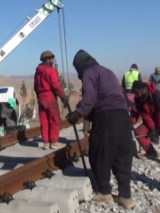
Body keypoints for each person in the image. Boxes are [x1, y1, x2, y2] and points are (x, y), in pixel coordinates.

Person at [66, 50, 135, 209]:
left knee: (99, 152)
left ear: (79, 66)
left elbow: (90, 98)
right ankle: (125, 196)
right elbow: (122, 95)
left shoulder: (88, 73)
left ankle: (104, 192)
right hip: (123, 116)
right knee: (122, 155)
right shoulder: (107, 71)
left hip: (106, 116)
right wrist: (87, 121)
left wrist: (78, 113)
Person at [34, 50, 67, 150]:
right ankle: (54, 142)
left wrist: (39, 96)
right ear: (48, 60)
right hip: (49, 96)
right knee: (54, 119)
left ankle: (46, 143)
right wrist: (62, 96)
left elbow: (35, 86)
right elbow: (55, 85)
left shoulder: (38, 72)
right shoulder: (50, 70)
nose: (53, 61)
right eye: (52, 59)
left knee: (44, 120)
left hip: (41, 96)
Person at [130, 81, 160, 159]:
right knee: (138, 132)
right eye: (134, 93)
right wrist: (152, 128)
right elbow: (145, 115)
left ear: (144, 91)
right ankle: (151, 153)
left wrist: (158, 129)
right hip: (155, 120)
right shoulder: (138, 100)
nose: (135, 95)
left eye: (137, 93)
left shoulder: (158, 96)